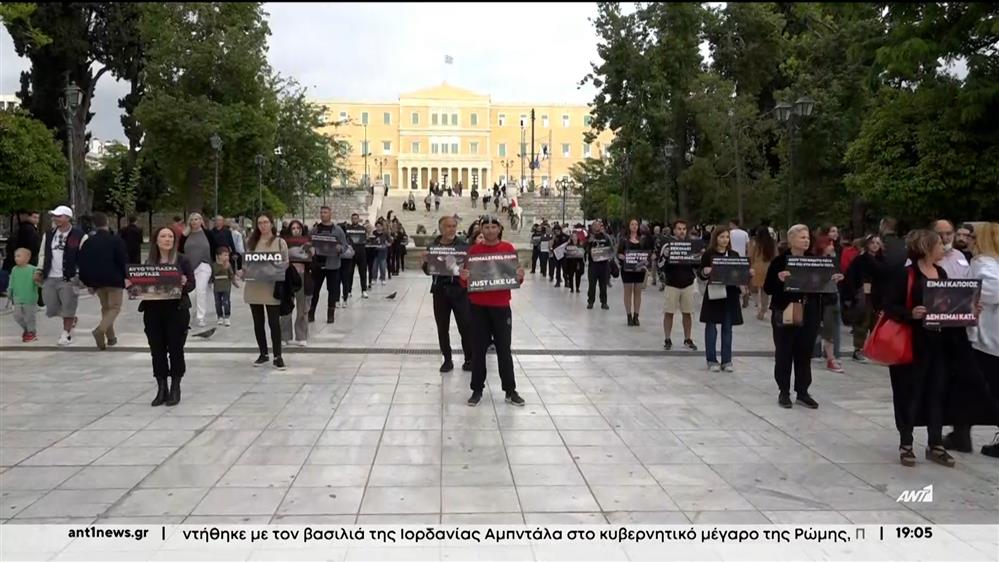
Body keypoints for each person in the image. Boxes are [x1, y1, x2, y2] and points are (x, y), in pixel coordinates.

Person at [883, 230, 973, 467]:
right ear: (926, 247)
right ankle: (906, 443)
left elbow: (947, 305)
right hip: (912, 343)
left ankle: (936, 443)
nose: (943, 248)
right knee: (908, 393)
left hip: (938, 343)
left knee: (937, 392)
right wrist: (909, 313)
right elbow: (888, 305)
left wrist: (968, 309)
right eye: (939, 244)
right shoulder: (906, 274)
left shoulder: (941, 272)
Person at [765, 224, 843, 409]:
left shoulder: (814, 261)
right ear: (791, 239)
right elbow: (768, 287)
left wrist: (832, 281)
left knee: (804, 352)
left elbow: (823, 288)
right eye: (802, 237)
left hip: (809, 310)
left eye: (807, 237)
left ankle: (802, 391)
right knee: (785, 352)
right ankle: (784, 391)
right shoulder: (780, 261)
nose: (806, 240)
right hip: (788, 308)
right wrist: (779, 279)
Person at [459, 216, 526, 407]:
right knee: (478, 349)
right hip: (478, 306)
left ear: (499, 229)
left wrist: (519, 276)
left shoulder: (507, 249)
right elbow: (465, 281)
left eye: (493, 227)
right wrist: (464, 277)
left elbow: (514, 277)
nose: (489, 230)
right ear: (481, 229)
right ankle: (477, 389)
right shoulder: (474, 251)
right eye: (486, 227)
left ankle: (510, 390)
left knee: (504, 349)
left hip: (501, 306)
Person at [950, 222, 999, 457]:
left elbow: (992, 290)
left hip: (987, 336)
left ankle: (960, 433)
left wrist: (969, 296)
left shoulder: (984, 263)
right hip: (989, 336)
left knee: (979, 386)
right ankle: (960, 433)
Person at [141, 226, 195, 407]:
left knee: (176, 348)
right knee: (157, 350)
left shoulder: (182, 260)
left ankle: (175, 387)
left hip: (176, 310)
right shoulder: (149, 262)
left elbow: (192, 284)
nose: (167, 239)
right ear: (156, 240)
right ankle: (161, 387)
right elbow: (141, 287)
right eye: (163, 236)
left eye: (170, 236)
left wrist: (185, 283)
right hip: (153, 311)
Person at [423, 216, 473, 373]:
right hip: (440, 291)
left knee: (465, 326)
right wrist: (424, 263)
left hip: (460, 290)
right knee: (442, 327)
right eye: (448, 226)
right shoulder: (433, 246)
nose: (451, 229)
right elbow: (428, 271)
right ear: (441, 228)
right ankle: (447, 359)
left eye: (454, 226)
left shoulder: (464, 246)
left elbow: (471, 268)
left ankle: (469, 358)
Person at [36, 205, 88, 346]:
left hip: (69, 277)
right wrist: (39, 270)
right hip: (50, 276)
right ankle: (71, 317)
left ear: (68, 217)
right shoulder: (49, 234)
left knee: (68, 306)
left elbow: (85, 257)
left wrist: (82, 275)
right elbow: (43, 253)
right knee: (50, 307)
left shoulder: (80, 236)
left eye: (59, 216)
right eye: (54, 216)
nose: (56, 218)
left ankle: (66, 333)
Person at [243, 213, 289, 370]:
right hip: (254, 286)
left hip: (271, 286)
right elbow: (246, 263)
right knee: (258, 322)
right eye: (260, 223)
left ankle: (278, 355)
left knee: (274, 322)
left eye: (265, 222)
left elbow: (285, 262)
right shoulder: (251, 242)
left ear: (271, 224)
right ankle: (263, 353)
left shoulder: (279, 242)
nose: (263, 225)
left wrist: (272, 269)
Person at [78, 212, 128, 350]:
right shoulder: (116, 240)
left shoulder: (88, 242)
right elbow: (122, 261)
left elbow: (83, 263)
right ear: (107, 222)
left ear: (94, 224)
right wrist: (127, 277)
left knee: (106, 308)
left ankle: (111, 337)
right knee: (115, 308)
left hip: (97, 281)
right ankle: (100, 330)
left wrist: (87, 282)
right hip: (114, 279)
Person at [697, 226, 745, 372]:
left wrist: (747, 274)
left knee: (727, 327)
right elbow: (701, 273)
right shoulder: (709, 254)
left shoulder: (734, 254)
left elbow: (739, 273)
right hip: (714, 293)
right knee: (711, 326)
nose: (724, 240)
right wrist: (706, 272)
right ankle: (711, 359)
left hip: (730, 294)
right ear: (716, 238)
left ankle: (727, 360)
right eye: (721, 237)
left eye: (727, 237)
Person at [843, 235, 884, 362]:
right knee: (862, 322)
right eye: (872, 242)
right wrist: (853, 294)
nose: (875, 245)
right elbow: (851, 277)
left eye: (878, 243)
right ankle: (858, 350)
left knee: (876, 323)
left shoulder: (883, 260)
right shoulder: (860, 260)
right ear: (867, 244)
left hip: (878, 295)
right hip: (863, 294)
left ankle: (875, 350)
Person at [659, 219, 698, 351]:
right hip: (672, 283)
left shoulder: (691, 245)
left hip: (688, 283)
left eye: (684, 229)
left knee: (688, 313)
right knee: (669, 312)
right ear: (674, 230)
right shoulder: (667, 245)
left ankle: (687, 339)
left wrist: (699, 256)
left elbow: (696, 265)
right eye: (679, 229)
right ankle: (667, 338)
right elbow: (659, 264)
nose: (682, 231)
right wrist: (665, 256)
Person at [308, 206, 349, 324]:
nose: (323, 214)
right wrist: (311, 249)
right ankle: (311, 313)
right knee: (314, 290)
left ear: (330, 214)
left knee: (332, 290)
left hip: (333, 264)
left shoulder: (338, 230)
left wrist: (340, 248)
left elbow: (345, 245)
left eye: (325, 212)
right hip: (318, 264)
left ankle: (330, 315)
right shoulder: (315, 229)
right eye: (321, 212)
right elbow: (309, 242)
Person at [812, 234, 844, 373]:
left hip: (831, 297)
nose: (832, 246)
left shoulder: (833, 260)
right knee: (815, 328)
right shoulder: (814, 261)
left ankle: (831, 358)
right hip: (817, 298)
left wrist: (838, 277)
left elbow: (839, 273)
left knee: (829, 329)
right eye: (829, 244)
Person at [178, 213, 216, 327]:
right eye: (192, 220)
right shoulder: (185, 236)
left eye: (197, 219)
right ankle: (189, 316)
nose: (194, 222)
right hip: (189, 267)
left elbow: (215, 247)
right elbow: (180, 250)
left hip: (204, 265)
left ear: (201, 221)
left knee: (201, 291)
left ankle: (201, 317)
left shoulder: (208, 234)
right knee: (191, 293)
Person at [279, 220, 311, 345]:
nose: (296, 230)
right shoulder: (284, 242)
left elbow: (313, 261)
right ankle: (285, 336)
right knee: (286, 306)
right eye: (293, 228)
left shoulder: (308, 241)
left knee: (302, 307)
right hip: (288, 276)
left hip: (303, 276)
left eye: (298, 227)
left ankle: (301, 336)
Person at [618, 219, 651, 326]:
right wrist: (622, 257)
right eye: (632, 224)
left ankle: (636, 316)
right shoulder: (624, 239)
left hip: (639, 270)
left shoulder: (643, 239)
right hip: (627, 269)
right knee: (627, 292)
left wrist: (648, 259)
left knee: (638, 292)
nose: (634, 226)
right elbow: (618, 253)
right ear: (629, 226)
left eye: (636, 224)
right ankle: (628, 316)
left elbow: (648, 253)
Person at [9, 248, 39, 342]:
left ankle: (32, 333)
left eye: (19, 256)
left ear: (27, 257)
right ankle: (27, 330)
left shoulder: (33, 269)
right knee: (17, 316)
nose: (16, 258)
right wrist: (10, 292)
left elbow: (39, 283)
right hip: (17, 297)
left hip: (29, 298)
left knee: (30, 316)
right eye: (15, 256)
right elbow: (11, 282)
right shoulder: (14, 269)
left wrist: (38, 280)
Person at [749, 227, 777, 321]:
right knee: (765, 291)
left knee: (756, 289)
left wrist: (751, 266)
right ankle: (763, 309)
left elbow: (750, 255)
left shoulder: (756, 243)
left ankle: (759, 308)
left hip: (757, 267)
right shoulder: (772, 243)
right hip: (769, 267)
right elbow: (776, 256)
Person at [341, 213, 370, 304]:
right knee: (349, 272)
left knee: (363, 272)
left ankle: (364, 290)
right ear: (351, 219)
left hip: (361, 252)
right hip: (351, 253)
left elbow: (366, 239)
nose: (354, 220)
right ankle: (348, 291)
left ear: (358, 219)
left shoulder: (362, 229)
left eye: (356, 218)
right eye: (353, 218)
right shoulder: (347, 229)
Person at [586, 219, 612, 310]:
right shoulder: (589, 237)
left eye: (598, 225)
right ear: (592, 227)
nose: (596, 227)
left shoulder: (606, 237)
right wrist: (589, 242)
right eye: (595, 226)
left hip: (603, 264)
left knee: (603, 284)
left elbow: (610, 248)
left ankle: (604, 302)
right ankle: (590, 301)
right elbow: (585, 248)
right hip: (593, 264)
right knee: (592, 284)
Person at [212, 246, 238, 327]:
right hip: (217, 287)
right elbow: (213, 274)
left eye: (227, 255)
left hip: (226, 286)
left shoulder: (229, 265)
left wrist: (234, 282)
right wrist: (222, 267)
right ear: (219, 256)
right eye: (225, 255)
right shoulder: (214, 265)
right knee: (218, 302)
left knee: (226, 301)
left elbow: (231, 274)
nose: (227, 257)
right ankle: (219, 316)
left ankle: (227, 316)